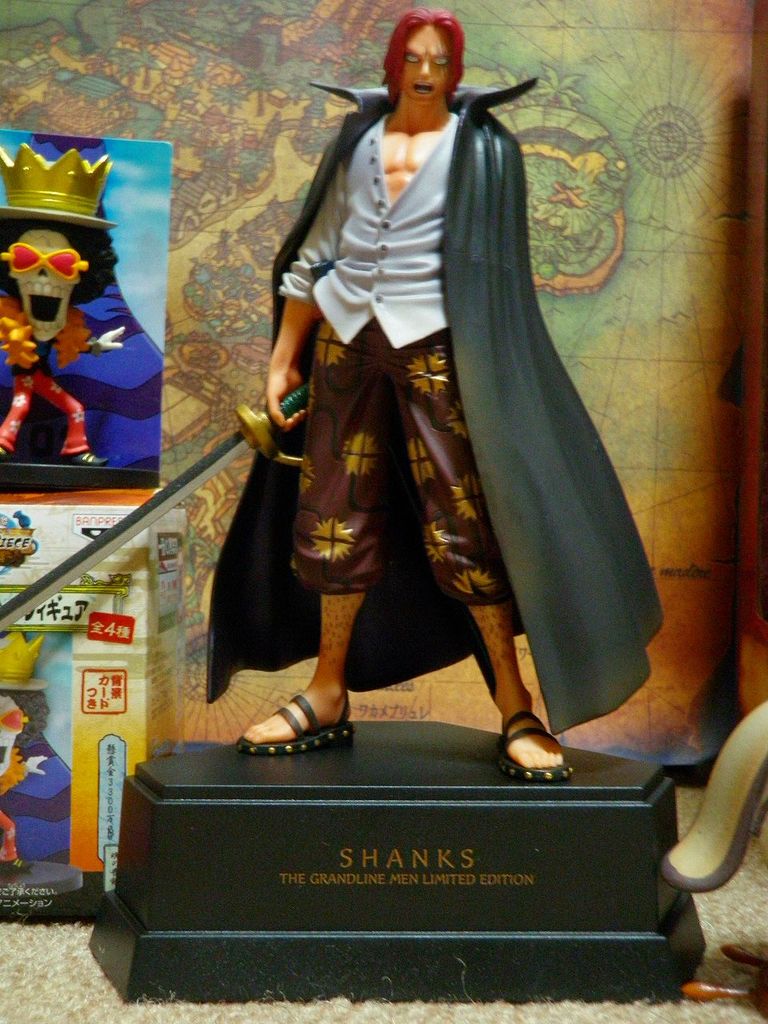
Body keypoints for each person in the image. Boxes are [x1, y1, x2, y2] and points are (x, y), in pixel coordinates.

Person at [208, 8, 662, 781]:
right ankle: (327, 689)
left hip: (434, 348)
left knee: (466, 521)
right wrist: (284, 358)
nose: (425, 72)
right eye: (413, 58)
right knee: (333, 514)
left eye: (439, 60)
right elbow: (315, 254)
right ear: (393, 65)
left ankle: (514, 702)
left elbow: (497, 276)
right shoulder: (357, 141)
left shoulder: (482, 150)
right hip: (344, 342)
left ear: (456, 69)